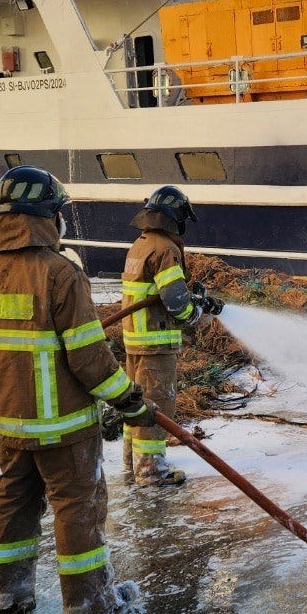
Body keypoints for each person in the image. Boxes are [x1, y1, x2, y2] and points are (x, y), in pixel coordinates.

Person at [0, 165, 150, 614]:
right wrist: (130, 400)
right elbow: (90, 361)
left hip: (9, 424)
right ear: (47, 218)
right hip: (64, 427)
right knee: (77, 507)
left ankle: (8, 597)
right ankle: (90, 605)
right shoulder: (60, 274)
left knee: (13, 503)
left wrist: (6, 381)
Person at [120, 186, 208, 485]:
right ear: (176, 218)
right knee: (155, 405)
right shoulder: (165, 249)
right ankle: (152, 472)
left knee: (134, 403)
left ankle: (132, 461)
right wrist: (196, 313)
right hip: (156, 341)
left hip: (134, 338)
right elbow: (176, 302)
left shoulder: (141, 245)